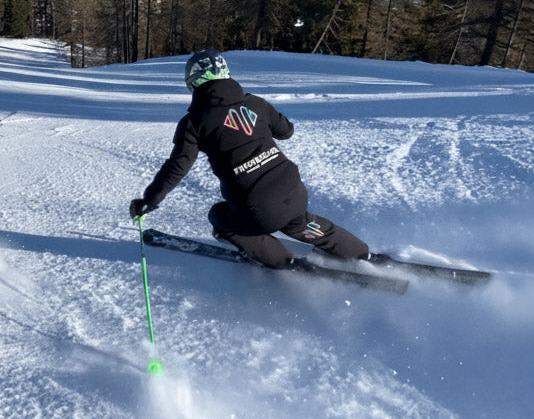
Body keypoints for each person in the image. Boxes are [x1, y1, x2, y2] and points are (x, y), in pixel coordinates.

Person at [129, 50, 371, 269]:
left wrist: (149, 200)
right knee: (299, 221)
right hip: (293, 191)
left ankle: (284, 262)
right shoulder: (255, 103)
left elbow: (177, 166)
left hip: (256, 208)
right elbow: (286, 131)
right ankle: (362, 254)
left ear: (192, 83)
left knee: (220, 217)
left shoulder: (193, 122)